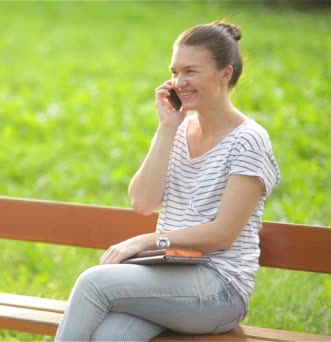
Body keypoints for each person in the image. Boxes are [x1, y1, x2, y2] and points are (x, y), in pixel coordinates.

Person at [55, 20, 281, 341]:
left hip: (220, 288)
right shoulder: (178, 130)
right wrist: (166, 128)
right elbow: (143, 202)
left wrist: (147, 241)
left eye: (191, 72)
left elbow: (223, 235)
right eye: (175, 72)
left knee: (94, 283)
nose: (179, 82)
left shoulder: (249, 141)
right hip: (170, 276)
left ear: (224, 74)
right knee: (111, 336)